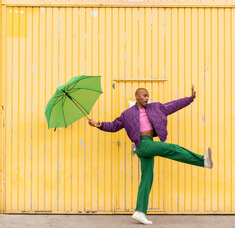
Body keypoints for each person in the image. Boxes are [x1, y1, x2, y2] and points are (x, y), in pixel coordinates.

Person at [88, 85, 213, 225]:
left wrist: (190, 99)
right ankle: (203, 161)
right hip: (142, 144)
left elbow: (173, 105)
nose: (147, 98)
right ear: (137, 97)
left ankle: (140, 212)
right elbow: (113, 126)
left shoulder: (156, 108)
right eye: (144, 95)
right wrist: (97, 124)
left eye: (148, 96)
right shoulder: (127, 114)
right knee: (172, 148)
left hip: (149, 143)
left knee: (147, 177)